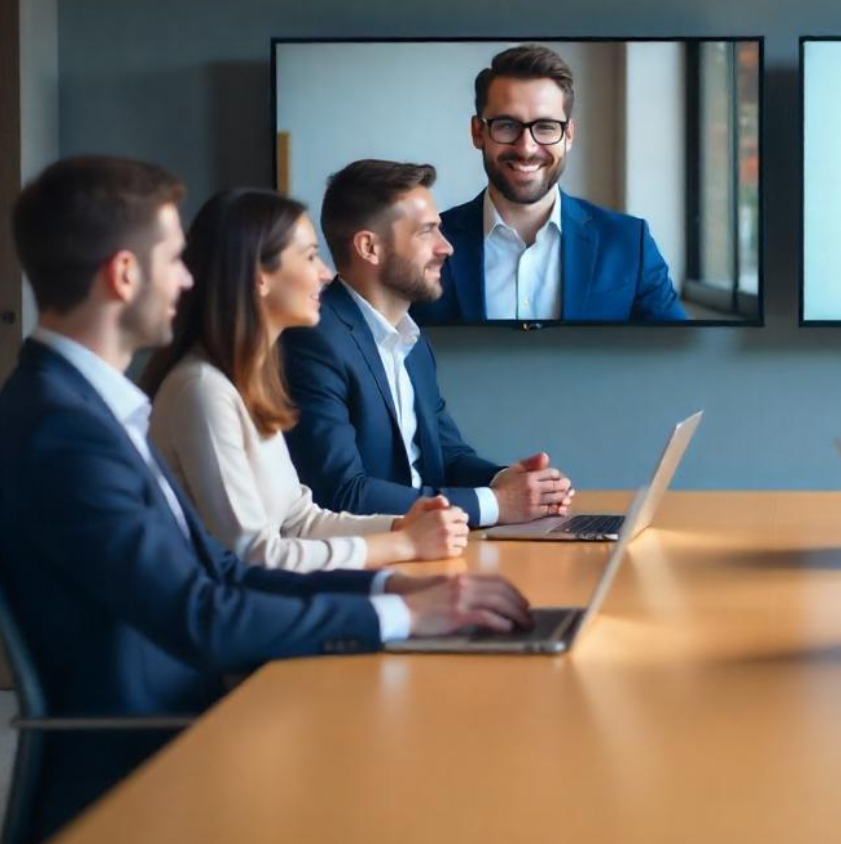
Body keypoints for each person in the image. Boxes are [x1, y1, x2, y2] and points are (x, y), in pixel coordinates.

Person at [0, 157, 532, 841]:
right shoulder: (63, 431)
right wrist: (403, 614)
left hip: (204, 709)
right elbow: (203, 616)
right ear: (124, 275)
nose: (189, 280)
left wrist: (390, 589)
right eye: (174, 260)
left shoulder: (87, 409)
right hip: (160, 753)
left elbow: (218, 572)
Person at [143, 189, 471, 571]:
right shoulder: (202, 390)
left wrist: (403, 526)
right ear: (259, 277)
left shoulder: (248, 383)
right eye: (310, 256)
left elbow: (301, 520)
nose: (326, 273)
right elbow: (252, 556)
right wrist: (403, 546)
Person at [282, 159, 574, 524]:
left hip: (432, 543)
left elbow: (447, 457)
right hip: (372, 560)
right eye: (427, 232)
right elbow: (342, 492)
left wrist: (506, 481)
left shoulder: (413, 341)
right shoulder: (314, 341)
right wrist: (497, 504)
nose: (446, 247)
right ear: (369, 247)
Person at [411, 43, 686, 322]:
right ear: (478, 132)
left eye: (545, 127)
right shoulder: (423, 244)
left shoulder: (628, 243)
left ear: (568, 135)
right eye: (507, 125)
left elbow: (676, 355)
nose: (527, 148)